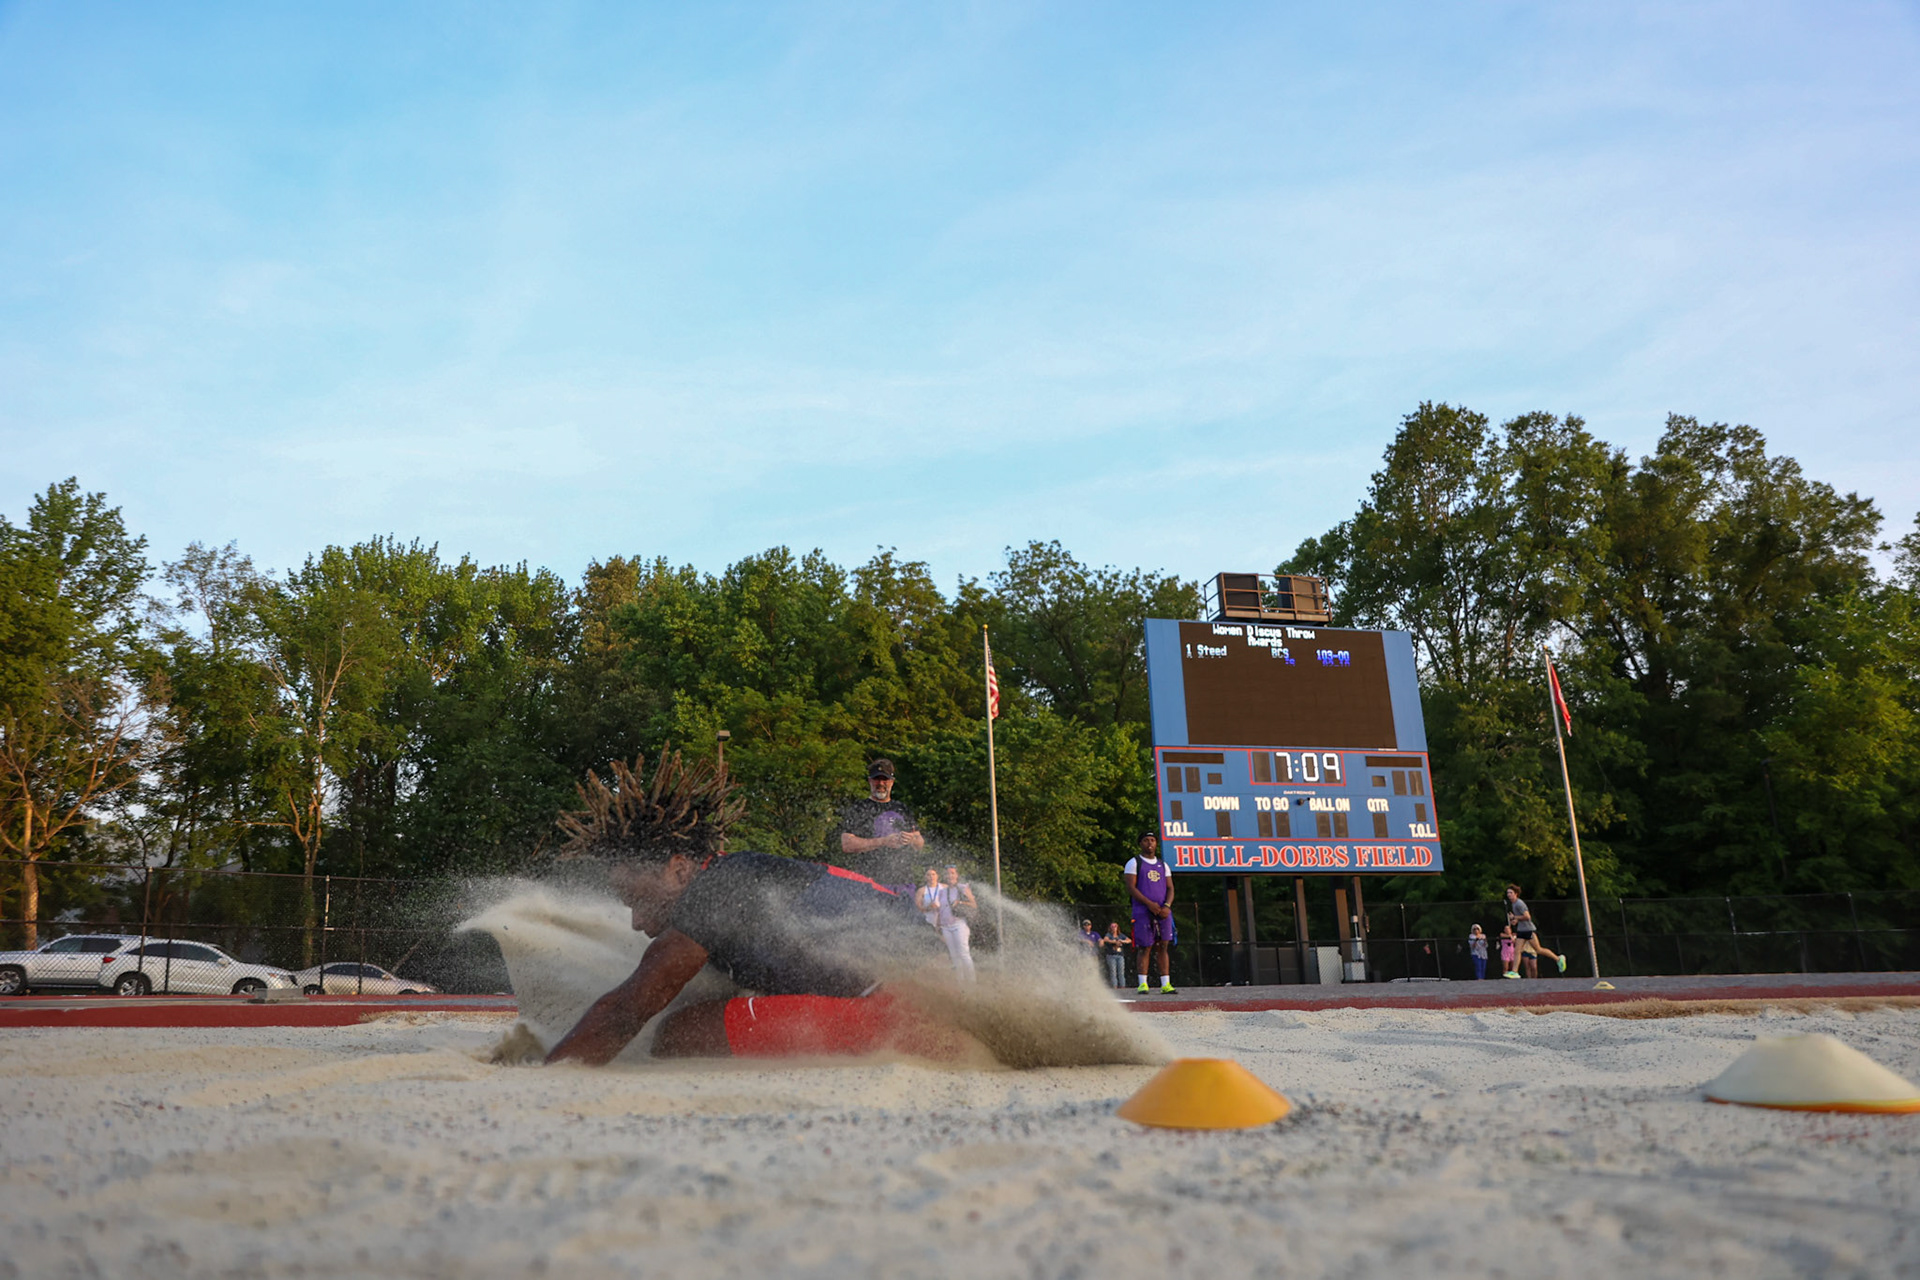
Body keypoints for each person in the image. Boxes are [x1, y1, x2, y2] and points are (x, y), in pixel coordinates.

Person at [545, 752, 955, 1066]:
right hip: (930, 984)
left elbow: (624, 1012)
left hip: (899, 1013)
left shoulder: (712, 894)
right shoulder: (740, 872)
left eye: (638, 900)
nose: (636, 922)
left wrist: (541, 1075)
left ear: (678, 869)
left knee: (675, 1035)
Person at [833, 759, 924, 890]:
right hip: (870, 883)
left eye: (885, 779)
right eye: (876, 779)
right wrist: (883, 841)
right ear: (870, 781)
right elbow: (846, 844)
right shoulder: (859, 808)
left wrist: (911, 839)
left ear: (892, 782)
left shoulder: (902, 808)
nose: (881, 783)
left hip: (904, 883)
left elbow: (920, 843)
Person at [1124, 832, 1176, 995]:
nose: (1150, 843)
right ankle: (1143, 983)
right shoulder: (1134, 863)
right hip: (1142, 910)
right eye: (1146, 840)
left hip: (1162, 910)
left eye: (1153, 840)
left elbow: (1170, 888)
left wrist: (1166, 906)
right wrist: (1149, 904)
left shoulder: (1163, 864)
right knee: (1145, 946)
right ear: (1140, 844)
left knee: (1163, 945)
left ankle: (1165, 984)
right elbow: (1131, 888)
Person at [1505, 884, 1567, 976]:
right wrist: (1516, 921)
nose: (1509, 894)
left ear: (1516, 894)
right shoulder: (1514, 904)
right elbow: (1521, 918)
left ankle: (1558, 959)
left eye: (1511, 893)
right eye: (1508, 893)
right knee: (1517, 950)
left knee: (1538, 950)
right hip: (1522, 930)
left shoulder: (1519, 903)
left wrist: (1515, 917)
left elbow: (1527, 916)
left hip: (1528, 930)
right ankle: (1514, 972)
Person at [934, 864, 978, 981]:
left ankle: (972, 983)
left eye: (952, 873)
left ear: (957, 875)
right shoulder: (942, 891)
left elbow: (974, 905)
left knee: (964, 954)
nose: (950, 875)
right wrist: (938, 924)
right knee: (954, 957)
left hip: (959, 924)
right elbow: (940, 909)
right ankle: (960, 983)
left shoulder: (963, 888)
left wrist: (960, 903)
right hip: (945, 926)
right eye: (948, 873)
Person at [1100, 923, 1128, 989]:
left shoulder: (1120, 935)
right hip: (1111, 955)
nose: (1114, 928)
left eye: (1115, 926)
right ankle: (1114, 986)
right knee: (1113, 971)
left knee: (1121, 971)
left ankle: (1122, 986)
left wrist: (1122, 941)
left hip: (1120, 955)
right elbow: (1105, 939)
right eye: (1112, 926)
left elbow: (1129, 940)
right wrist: (1114, 942)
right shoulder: (1109, 935)